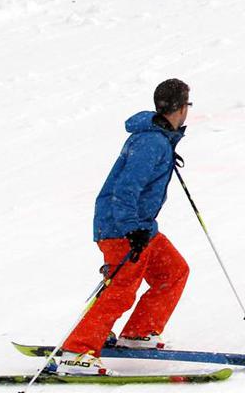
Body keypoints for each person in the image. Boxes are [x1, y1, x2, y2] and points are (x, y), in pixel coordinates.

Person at [48, 79, 192, 376]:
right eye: (187, 105)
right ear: (180, 108)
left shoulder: (158, 138)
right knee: (122, 288)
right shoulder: (150, 142)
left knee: (172, 271)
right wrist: (131, 228)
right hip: (122, 228)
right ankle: (77, 351)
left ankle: (139, 333)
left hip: (141, 227)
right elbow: (125, 189)